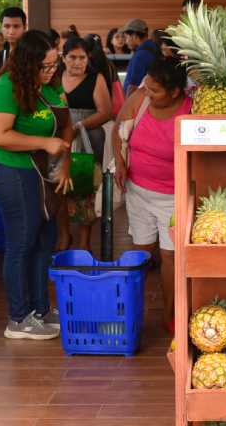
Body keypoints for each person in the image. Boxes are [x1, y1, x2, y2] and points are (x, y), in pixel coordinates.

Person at [0, 30, 72, 340]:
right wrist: (43, 142)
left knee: (44, 240)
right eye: (45, 66)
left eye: (53, 65)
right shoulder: (4, 88)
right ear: (26, 63)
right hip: (12, 173)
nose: (51, 71)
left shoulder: (42, 86)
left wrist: (60, 154)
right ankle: (18, 319)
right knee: (21, 244)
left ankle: (40, 309)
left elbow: (63, 121)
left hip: (36, 174)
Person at [113, 57, 192, 331]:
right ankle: (133, 311)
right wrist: (120, 162)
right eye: (146, 86)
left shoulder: (190, 109)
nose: (147, 92)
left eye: (155, 90)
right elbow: (118, 131)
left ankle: (170, 314)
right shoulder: (140, 98)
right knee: (142, 251)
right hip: (138, 192)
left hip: (174, 196)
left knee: (170, 256)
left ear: (174, 92)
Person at [59, 37, 112, 251]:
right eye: (72, 57)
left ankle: (84, 241)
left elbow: (106, 112)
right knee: (59, 189)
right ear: (63, 58)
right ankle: (64, 236)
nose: (77, 62)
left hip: (88, 139)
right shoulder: (53, 78)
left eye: (82, 57)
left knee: (84, 189)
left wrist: (79, 125)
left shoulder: (95, 78)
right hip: (59, 140)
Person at [121, 19, 159, 95]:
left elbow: (134, 86)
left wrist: (127, 105)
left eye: (127, 37)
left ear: (134, 36)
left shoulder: (141, 55)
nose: (126, 41)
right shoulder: (153, 48)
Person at [0, 7, 27, 71]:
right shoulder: (1, 55)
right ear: (1, 27)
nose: (11, 32)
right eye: (7, 26)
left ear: (25, 27)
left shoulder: (31, 53)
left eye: (16, 26)